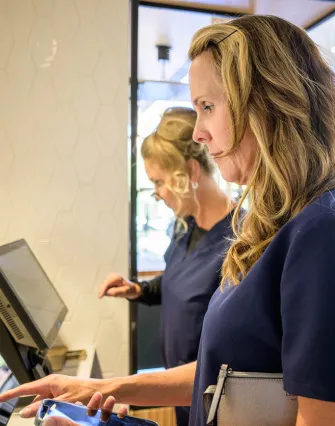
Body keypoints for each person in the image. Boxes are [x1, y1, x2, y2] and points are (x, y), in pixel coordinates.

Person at [0, 15, 335, 426]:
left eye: (208, 107)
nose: (199, 132)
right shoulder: (284, 224)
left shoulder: (334, 234)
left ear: (268, 103)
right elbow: (224, 378)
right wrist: (106, 391)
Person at [98, 107, 235, 426]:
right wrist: (139, 290)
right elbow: (179, 281)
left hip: (213, 402)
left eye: (159, 182)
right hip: (179, 395)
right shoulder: (185, 226)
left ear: (190, 171)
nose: (157, 194)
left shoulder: (238, 243)